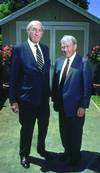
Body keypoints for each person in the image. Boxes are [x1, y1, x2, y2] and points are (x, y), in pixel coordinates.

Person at [9, 20, 51, 169]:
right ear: (28, 31)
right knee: (27, 129)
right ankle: (24, 154)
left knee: (44, 126)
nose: (36, 33)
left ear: (42, 33)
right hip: (26, 100)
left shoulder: (45, 49)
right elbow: (14, 76)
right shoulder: (20, 49)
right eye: (33, 30)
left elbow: (45, 74)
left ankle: (41, 149)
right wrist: (13, 100)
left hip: (44, 100)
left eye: (39, 30)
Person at [52, 35, 92, 166]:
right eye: (63, 47)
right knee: (64, 131)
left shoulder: (83, 62)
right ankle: (67, 151)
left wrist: (83, 106)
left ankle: (75, 156)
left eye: (67, 46)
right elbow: (55, 82)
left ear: (75, 46)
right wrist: (54, 100)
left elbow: (87, 87)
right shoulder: (59, 61)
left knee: (75, 133)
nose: (65, 49)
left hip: (76, 107)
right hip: (61, 106)